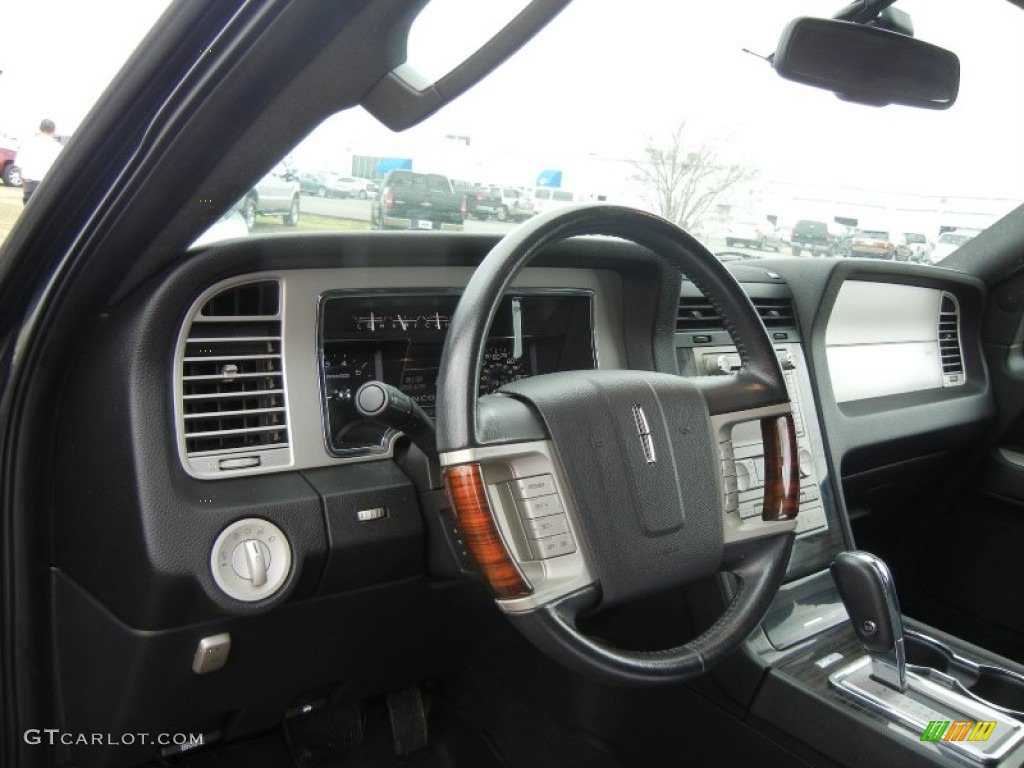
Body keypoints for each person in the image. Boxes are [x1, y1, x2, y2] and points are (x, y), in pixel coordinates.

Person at [16, 119, 62, 205]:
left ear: (40, 128)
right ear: (53, 130)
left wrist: (24, 183)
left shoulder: (27, 144)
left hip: (30, 185)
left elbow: (19, 166)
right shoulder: (58, 148)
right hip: (49, 186)